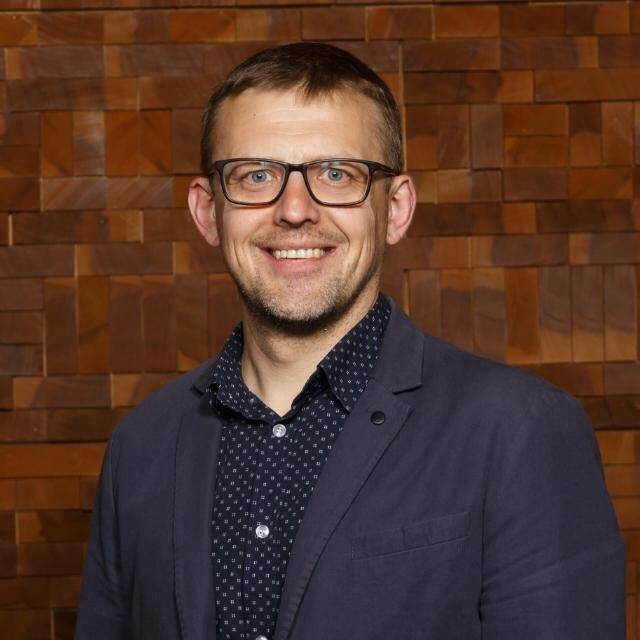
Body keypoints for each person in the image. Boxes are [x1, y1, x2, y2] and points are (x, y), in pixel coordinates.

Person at [75, 42, 625, 640]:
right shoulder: (140, 448)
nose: (294, 210)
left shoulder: (517, 431)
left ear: (396, 208)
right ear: (208, 211)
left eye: (336, 174)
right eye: (256, 175)